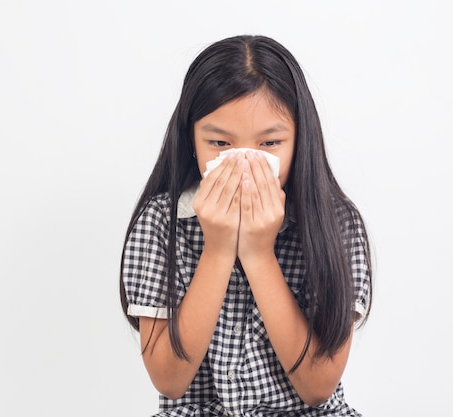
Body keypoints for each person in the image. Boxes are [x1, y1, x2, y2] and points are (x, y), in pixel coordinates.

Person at [120, 34, 372, 417]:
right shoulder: (160, 223)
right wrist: (218, 249)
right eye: (220, 143)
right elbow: (170, 381)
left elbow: (318, 387)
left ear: (299, 140)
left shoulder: (336, 224)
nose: (244, 163)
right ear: (192, 139)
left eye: (269, 144)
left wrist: (258, 253)